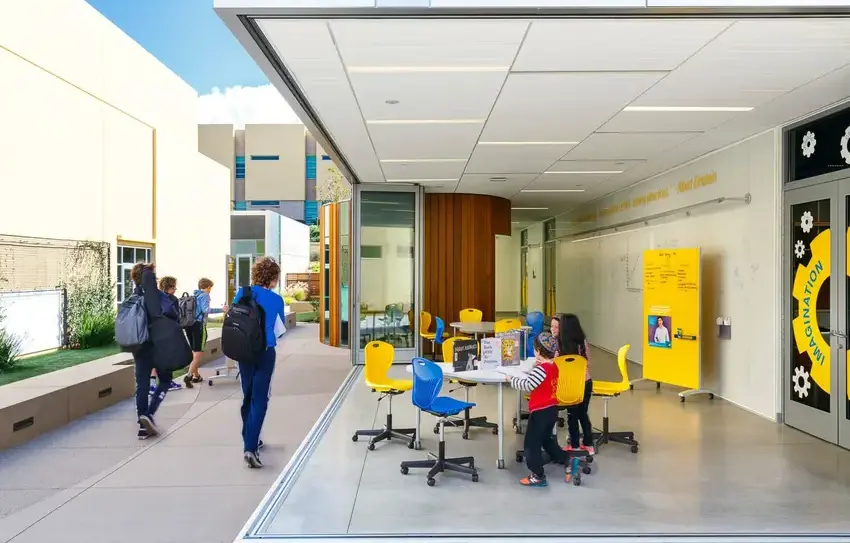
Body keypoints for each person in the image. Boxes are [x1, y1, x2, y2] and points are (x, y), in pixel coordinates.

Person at [232, 257, 285, 468]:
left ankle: (250, 437)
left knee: (248, 395)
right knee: (261, 398)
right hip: (264, 352)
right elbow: (279, 329)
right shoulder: (276, 299)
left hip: (243, 352)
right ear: (272, 278)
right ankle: (250, 447)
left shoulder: (242, 293)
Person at [504, 332, 565, 487]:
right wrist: (536, 365)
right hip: (552, 409)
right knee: (547, 440)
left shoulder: (541, 369)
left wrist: (512, 380)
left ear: (537, 350)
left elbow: (528, 385)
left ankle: (538, 475)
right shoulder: (553, 366)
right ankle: (566, 459)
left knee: (531, 444)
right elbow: (542, 379)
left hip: (540, 412)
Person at [131, 263, 173, 440]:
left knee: (142, 385)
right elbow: (171, 313)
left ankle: (142, 426)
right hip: (158, 346)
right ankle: (149, 413)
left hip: (139, 347)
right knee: (165, 380)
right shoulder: (158, 296)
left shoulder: (132, 298)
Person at [552, 313, 594, 454]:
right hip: (585, 383)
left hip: (568, 385)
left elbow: (555, 365)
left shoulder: (559, 344)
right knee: (583, 414)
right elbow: (587, 363)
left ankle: (574, 445)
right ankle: (589, 444)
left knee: (571, 415)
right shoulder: (583, 343)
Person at [152, 276, 182, 393]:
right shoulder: (172, 299)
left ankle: (153, 383)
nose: (175, 289)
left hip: (155, 330)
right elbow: (173, 314)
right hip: (168, 331)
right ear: (170, 287)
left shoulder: (155, 297)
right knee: (168, 357)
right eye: (174, 286)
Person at [183, 278, 213, 388]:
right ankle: (189, 375)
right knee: (199, 351)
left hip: (189, 325)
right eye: (210, 288)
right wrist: (222, 309)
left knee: (194, 351)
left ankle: (196, 376)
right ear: (208, 287)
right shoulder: (205, 295)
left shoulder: (194, 295)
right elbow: (206, 310)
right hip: (199, 325)